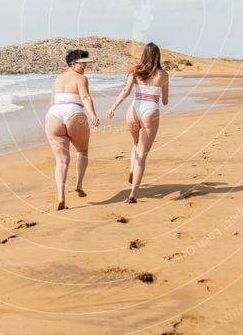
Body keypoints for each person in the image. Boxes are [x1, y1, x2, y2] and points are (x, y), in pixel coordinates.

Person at [106, 42, 169, 203]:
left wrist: (113, 107)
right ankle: (133, 193)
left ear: (144, 55)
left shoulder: (135, 71)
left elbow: (125, 91)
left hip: (133, 110)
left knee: (136, 144)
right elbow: (166, 101)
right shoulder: (163, 75)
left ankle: (132, 167)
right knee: (142, 154)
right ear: (157, 56)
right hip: (150, 111)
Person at [44, 49, 99, 210]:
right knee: (82, 151)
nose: (85, 66)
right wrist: (93, 114)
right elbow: (85, 97)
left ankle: (61, 197)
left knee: (61, 161)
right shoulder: (81, 78)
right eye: (83, 63)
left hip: (54, 115)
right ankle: (79, 185)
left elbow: (53, 101)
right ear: (73, 64)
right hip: (73, 113)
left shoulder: (58, 79)